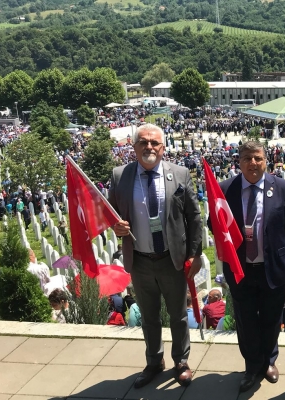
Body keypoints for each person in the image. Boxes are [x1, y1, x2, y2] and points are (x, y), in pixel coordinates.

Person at [109, 123, 202, 389]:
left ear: (163, 148)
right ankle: (153, 362)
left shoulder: (180, 174)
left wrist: (195, 254)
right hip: (139, 259)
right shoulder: (120, 176)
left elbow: (194, 216)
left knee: (178, 315)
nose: (149, 147)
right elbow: (110, 213)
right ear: (134, 146)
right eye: (143, 142)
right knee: (149, 317)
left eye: (154, 143)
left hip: (171, 259)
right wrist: (116, 227)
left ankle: (181, 361)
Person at [210, 140, 285, 393]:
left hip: (273, 267)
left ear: (266, 161)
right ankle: (252, 366)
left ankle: (269, 361)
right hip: (241, 269)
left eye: (258, 158)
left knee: (272, 319)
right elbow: (213, 224)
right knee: (246, 320)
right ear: (239, 161)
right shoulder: (226, 189)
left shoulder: (281, 187)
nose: (253, 163)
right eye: (247, 158)